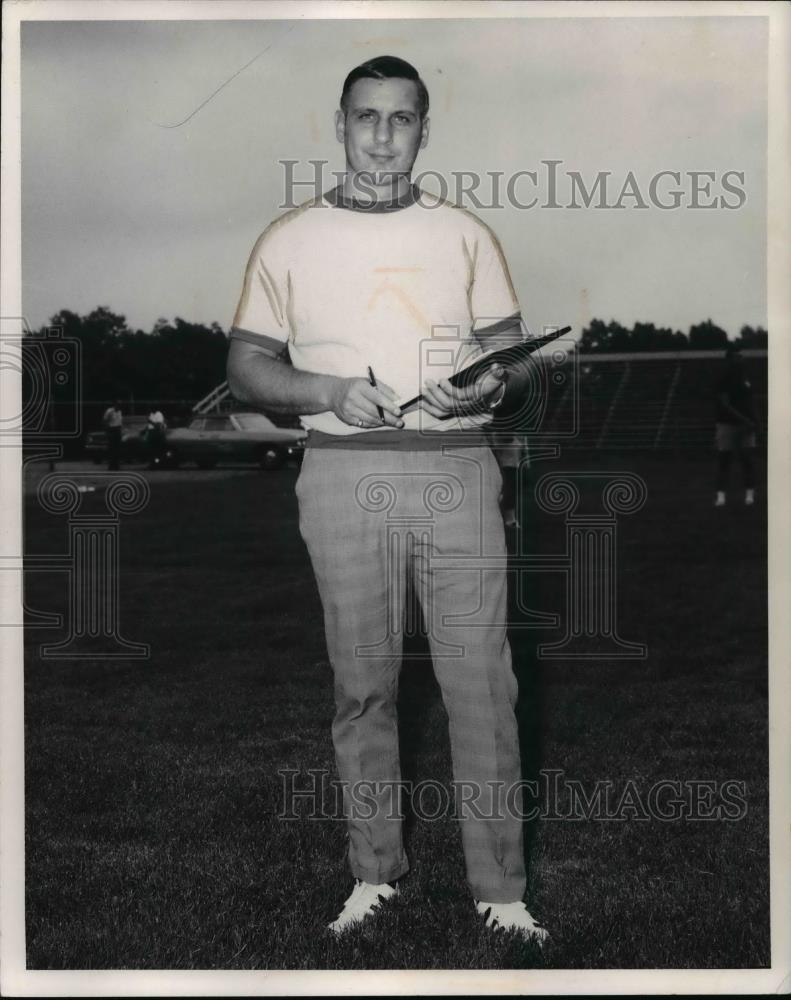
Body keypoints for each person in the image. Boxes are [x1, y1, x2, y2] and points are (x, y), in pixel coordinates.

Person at [226, 56, 548, 943]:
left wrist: (487, 390)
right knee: (362, 683)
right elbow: (246, 366)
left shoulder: (465, 234)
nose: (380, 136)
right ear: (338, 124)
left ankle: (503, 891)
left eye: (400, 120)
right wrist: (327, 390)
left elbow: (516, 364)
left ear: (423, 130)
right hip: (339, 469)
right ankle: (374, 873)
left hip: (454, 468)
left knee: (480, 683)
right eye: (364, 118)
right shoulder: (289, 237)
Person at [714, 344, 757, 507]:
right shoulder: (723, 379)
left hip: (746, 425)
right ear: (730, 359)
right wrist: (746, 420)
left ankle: (749, 495)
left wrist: (755, 420)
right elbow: (725, 405)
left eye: (741, 356)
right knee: (725, 460)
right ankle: (721, 496)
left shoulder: (745, 378)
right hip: (727, 424)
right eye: (737, 357)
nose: (741, 359)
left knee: (747, 460)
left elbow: (751, 401)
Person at [102, 400, 123, 471]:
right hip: (112, 429)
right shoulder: (110, 411)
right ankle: (111, 465)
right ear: (115, 405)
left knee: (118, 449)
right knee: (111, 449)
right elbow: (105, 420)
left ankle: (116, 465)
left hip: (118, 430)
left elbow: (119, 422)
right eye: (118, 405)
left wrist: (120, 430)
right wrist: (108, 430)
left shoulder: (120, 412)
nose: (120, 406)